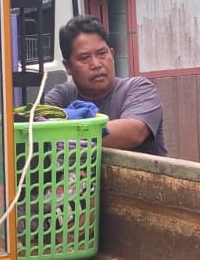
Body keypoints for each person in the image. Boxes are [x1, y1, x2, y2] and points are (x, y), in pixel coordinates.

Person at [41, 16, 168, 156]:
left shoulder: (139, 88)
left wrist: (64, 129)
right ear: (68, 67)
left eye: (102, 54)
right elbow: (34, 123)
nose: (96, 64)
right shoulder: (63, 94)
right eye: (84, 58)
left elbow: (134, 132)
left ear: (111, 54)